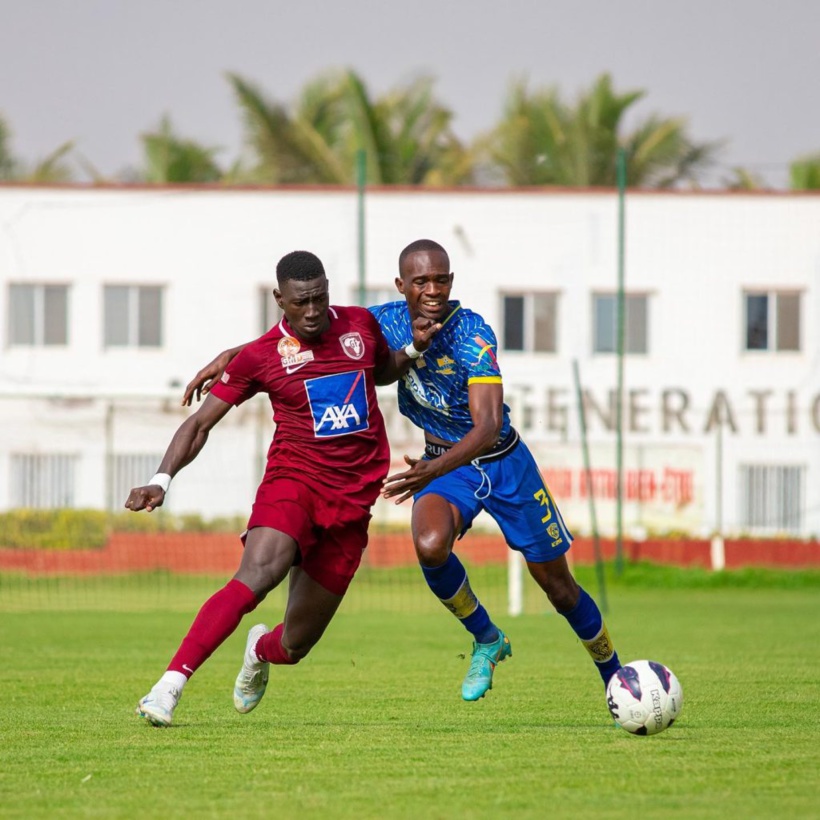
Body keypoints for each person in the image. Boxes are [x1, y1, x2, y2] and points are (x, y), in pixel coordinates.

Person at [184, 239, 620, 705]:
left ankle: (615, 678)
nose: (433, 289)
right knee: (431, 545)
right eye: (421, 281)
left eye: (442, 279)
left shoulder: (473, 335)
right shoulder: (384, 322)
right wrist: (233, 356)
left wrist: (430, 469)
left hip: (504, 462)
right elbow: (306, 328)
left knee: (558, 588)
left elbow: (488, 426)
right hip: (445, 466)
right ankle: (487, 638)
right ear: (402, 286)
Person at [127, 249, 439, 727]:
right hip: (293, 483)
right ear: (280, 300)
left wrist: (413, 350)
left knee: (294, 645)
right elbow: (201, 423)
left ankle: (259, 649)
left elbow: (379, 371)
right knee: (257, 574)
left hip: (351, 505)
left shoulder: (359, 325)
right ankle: (169, 685)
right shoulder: (260, 357)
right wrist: (160, 479)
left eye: (319, 298)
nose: (312, 311)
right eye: (300, 303)